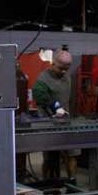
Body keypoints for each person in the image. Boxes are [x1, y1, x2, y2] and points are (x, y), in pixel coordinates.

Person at [33, 48, 79, 181]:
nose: (64, 71)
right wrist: (55, 106)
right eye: (61, 68)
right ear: (53, 64)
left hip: (65, 123)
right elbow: (39, 94)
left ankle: (72, 183)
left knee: (72, 154)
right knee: (49, 158)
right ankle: (46, 184)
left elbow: (69, 99)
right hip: (48, 124)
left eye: (67, 68)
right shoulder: (43, 79)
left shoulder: (67, 78)